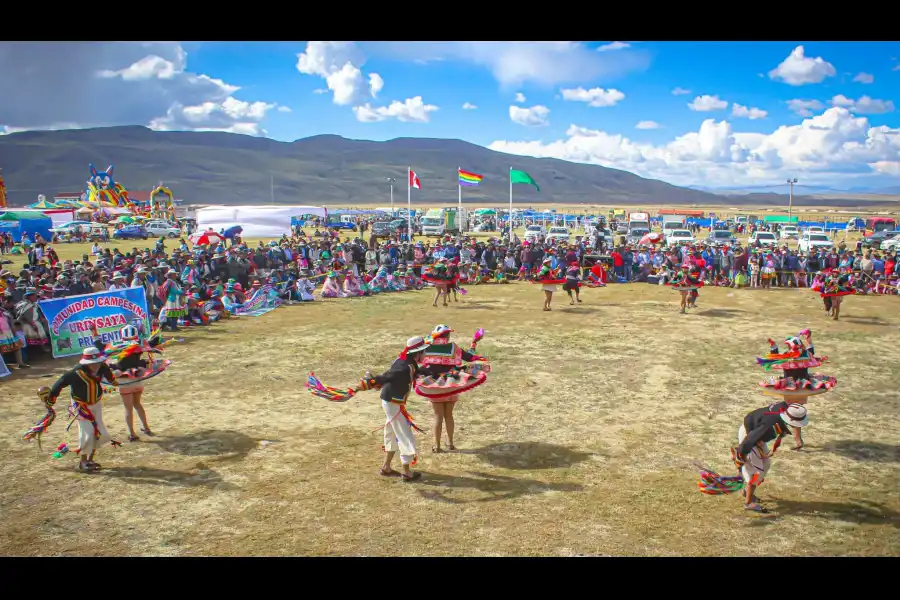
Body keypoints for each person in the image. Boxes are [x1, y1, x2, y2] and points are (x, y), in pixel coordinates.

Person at [356, 336, 430, 481]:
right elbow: (389, 376)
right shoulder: (403, 367)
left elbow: (414, 373)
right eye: (424, 351)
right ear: (417, 353)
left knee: (391, 432)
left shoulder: (406, 362)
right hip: (393, 404)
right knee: (404, 435)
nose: (425, 354)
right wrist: (371, 382)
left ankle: (386, 466)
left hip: (391, 402)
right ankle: (407, 472)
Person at [46, 347, 121, 473]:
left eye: (97, 362)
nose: (96, 365)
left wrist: (114, 382)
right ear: (86, 363)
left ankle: (90, 459)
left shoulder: (102, 367)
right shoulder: (74, 373)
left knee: (99, 431)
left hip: (96, 403)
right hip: (81, 406)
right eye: (93, 363)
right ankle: (83, 462)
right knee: (87, 432)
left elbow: (109, 375)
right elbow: (59, 384)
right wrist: (50, 401)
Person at [417, 324, 489, 453]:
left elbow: (416, 359)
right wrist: (474, 342)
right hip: (452, 384)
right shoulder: (454, 347)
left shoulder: (426, 348)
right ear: (448, 336)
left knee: (438, 416)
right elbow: (470, 357)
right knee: (449, 415)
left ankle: (437, 446)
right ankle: (450, 443)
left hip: (435, 386)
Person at [733, 402, 808, 513]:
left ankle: (747, 490)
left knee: (766, 464)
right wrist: (741, 456)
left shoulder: (787, 408)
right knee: (756, 472)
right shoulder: (768, 425)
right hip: (750, 437)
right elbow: (749, 440)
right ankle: (748, 502)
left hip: (757, 435)